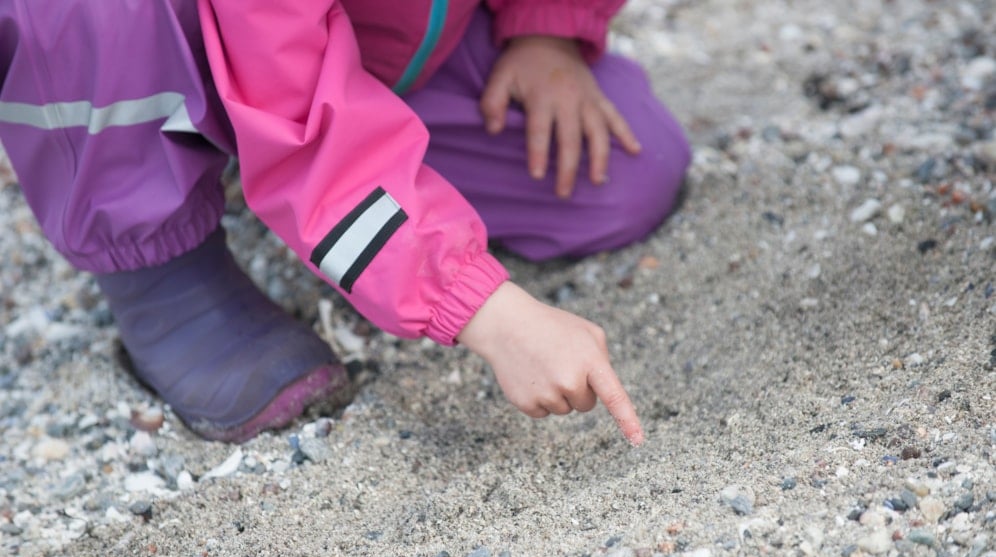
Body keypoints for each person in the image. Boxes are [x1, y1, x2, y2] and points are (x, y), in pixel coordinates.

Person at [0, 0, 689, 446]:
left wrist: (547, 29)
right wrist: (485, 308)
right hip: (254, 55)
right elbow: (302, 123)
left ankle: (379, 160)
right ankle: (160, 266)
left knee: (622, 174)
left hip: (386, 40)